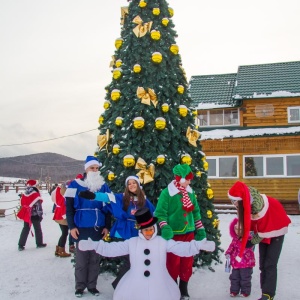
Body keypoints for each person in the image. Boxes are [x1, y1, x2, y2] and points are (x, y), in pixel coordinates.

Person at [78, 207, 215, 300]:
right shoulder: (132, 242)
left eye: (150, 229)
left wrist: (198, 245)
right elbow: (113, 249)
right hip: (135, 285)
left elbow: (181, 248)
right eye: (145, 230)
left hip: (160, 285)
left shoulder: (163, 242)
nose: (148, 233)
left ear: (154, 228)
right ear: (140, 231)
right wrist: (94, 245)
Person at [79, 175, 155, 289]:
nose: (132, 185)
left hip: (138, 232)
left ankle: (127, 285)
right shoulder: (121, 197)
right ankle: (118, 285)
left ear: (138, 185)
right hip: (124, 231)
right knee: (130, 261)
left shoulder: (143, 200)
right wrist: (94, 196)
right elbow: (107, 197)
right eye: (129, 184)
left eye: (134, 183)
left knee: (135, 261)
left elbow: (153, 213)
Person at [228, 181, 291, 300]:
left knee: (270, 264)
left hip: (276, 228)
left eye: (234, 201)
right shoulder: (244, 202)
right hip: (262, 231)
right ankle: (265, 291)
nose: (233, 204)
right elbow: (249, 223)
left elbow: (264, 228)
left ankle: (268, 294)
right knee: (263, 264)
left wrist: (251, 241)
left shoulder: (257, 206)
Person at [154, 163, 207, 300]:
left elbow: (196, 212)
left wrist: (200, 229)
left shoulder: (190, 192)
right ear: (181, 179)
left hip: (189, 233)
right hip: (174, 235)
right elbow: (160, 213)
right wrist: (165, 227)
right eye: (188, 179)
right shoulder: (167, 193)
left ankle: (183, 288)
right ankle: (172, 288)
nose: (190, 182)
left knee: (187, 262)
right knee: (173, 264)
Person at [65, 155, 112, 298]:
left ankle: (92, 286)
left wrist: (107, 226)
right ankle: (79, 287)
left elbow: (108, 207)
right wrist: (71, 227)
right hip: (81, 227)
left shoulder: (103, 186)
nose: (95, 170)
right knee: (81, 260)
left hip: (98, 227)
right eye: (92, 168)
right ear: (86, 169)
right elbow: (69, 208)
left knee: (94, 260)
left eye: (97, 168)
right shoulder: (75, 184)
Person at [225, 217, 255, 298]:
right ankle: (234, 291)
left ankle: (245, 291)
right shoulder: (235, 239)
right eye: (236, 229)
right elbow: (231, 247)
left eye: (240, 229)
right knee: (234, 278)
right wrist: (228, 253)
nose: (237, 231)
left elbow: (250, 246)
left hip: (246, 263)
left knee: (245, 278)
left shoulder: (249, 238)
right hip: (236, 263)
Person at [17, 179, 47, 251]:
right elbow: (38, 206)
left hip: (27, 214)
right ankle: (39, 243)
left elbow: (22, 203)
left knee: (25, 228)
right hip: (35, 214)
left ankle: (21, 245)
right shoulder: (35, 194)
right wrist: (40, 215)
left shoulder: (25, 193)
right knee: (37, 229)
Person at [51, 182, 72, 257]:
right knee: (65, 233)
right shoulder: (65, 194)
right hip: (63, 216)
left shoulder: (58, 191)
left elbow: (54, 199)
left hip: (58, 214)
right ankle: (61, 250)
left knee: (63, 233)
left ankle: (58, 249)